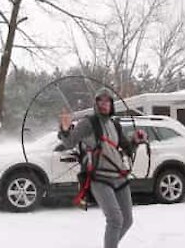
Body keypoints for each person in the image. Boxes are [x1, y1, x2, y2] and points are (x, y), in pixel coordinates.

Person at [58, 88, 145, 248]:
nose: (104, 104)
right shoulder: (88, 123)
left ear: (111, 104)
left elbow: (127, 149)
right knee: (115, 219)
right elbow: (69, 142)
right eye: (101, 101)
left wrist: (135, 141)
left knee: (127, 220)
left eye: (107, 101)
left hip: (120, 177)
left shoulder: (115, 124)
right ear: (96, 103)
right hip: (99, 178)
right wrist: (64, 129)